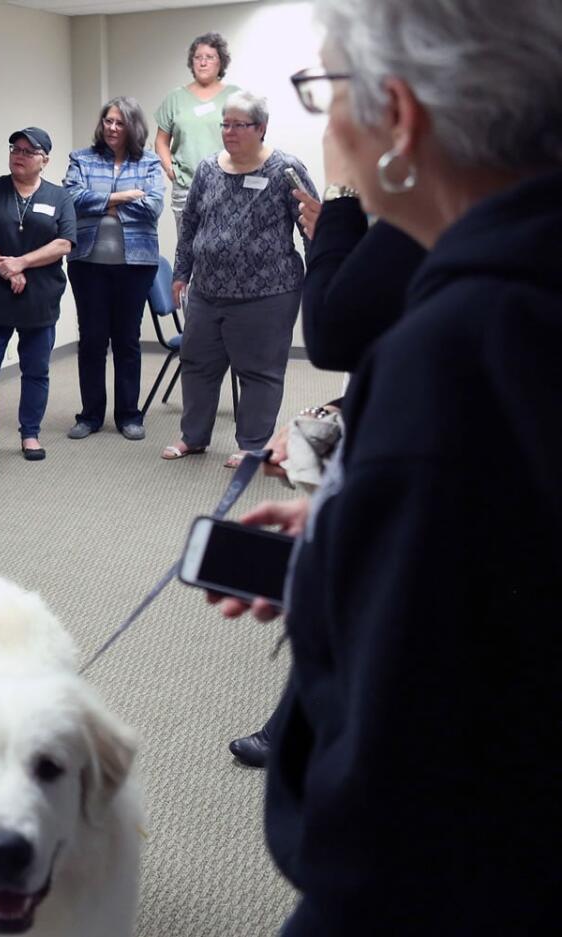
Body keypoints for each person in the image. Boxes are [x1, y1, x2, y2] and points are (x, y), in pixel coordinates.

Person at [213, 0, 562, 929]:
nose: (327, 126)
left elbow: (387, 788)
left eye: (326, 92)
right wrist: (349, 528)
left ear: (398, 118)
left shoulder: (456, 353)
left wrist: (342, 579)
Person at [224, 126, 427, 768]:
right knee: (341, 562)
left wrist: (339, 193)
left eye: (331, 91)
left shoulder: (433, 211)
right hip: (391, 429)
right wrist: (333, 418)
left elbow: (336, 328)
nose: (331, 120)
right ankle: (300, 718)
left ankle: (307, 726)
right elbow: (398, 351)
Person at [163, 91, 316, 468]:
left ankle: (253, 444)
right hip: (208, 290)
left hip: (268, 292)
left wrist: (321, 279)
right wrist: (182, 271)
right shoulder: (207, 169)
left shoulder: (285, 169)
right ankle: (193, 437)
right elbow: (192, 224)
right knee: (197, 364)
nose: (229, 132)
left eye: (238, 125)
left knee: (259, 370)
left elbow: (313, 226)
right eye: (225, 124)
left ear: (261, 128)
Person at [0, 127, 76, 461]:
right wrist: (4, 268)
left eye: (29, 151)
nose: (19, 154)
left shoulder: (59, 197)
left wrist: (21, 264)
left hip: (39, 296)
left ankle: (30, 434)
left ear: (45, 160)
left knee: (35, 368)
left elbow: (64, 242)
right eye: (16, 148)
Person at [63, 96, 164, 442]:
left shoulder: (149, 162)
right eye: (108, 121)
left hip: (135, 265)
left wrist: (101, 204)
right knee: (91, 340)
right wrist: (122, 198)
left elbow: (152, 208)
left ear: (133, 126)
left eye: (120, 122)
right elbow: (72, 199)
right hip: (87, 264)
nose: (112, 127)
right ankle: (90, 415)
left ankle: (128, 415)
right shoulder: (81, 158)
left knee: (126, 341)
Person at [154, 32, 241, 234]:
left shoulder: (235, 96)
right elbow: (161, 141)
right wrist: (170, 170)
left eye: (209, 57)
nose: (203, 63)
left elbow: (249, 138)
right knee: (188, 250)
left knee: (226, 245)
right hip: (186, 186)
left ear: (221, 62)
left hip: (227, 184)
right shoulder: (175, 98)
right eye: (198, 57)